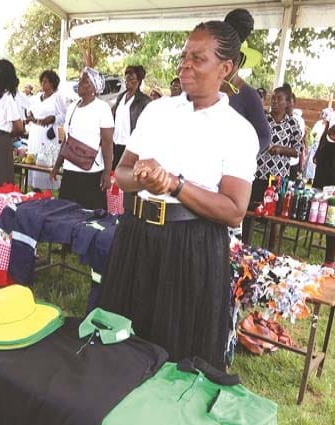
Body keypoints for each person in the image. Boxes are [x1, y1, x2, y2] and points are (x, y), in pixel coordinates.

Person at [98, 17, 258, 370]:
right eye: (185, 55)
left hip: (191, 244)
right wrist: (144, 177)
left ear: (226, 68)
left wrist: (175, 184)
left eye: (198, 58)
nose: (186, 64)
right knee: (123, 340)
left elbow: (234, 210)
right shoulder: (157, 111)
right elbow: (122, 174)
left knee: (175, 349)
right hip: (137, 235)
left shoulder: (238, 131)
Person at [241, 86, 302, 246]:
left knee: (274, 216)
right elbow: (250, 140)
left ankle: (271, 251)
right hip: (258, 173)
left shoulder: (293, 124)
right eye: (273, 98)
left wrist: (280, 149)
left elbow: (297, 151)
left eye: (279, 99)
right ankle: (244, 245)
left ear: (287, 102)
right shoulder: (263, 119)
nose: (274, 101)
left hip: (277, 178)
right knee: (249, 212)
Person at [49, 67, 114, 210]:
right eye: (80, 80)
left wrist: (107, 173)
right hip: (70, 170)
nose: (80, 83)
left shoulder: (102, 108)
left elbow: (107, 143)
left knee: (89, 216)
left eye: (85, 81)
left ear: (94, 87)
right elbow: (66, 140)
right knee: (66, 214)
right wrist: (56, 166)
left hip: (91, 173)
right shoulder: (72, 107)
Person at [220, 9, 271, 152]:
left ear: (239, 61)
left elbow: (264, 137)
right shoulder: (206, 88)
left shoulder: (249, 95)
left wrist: (241, 156)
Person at [25, 70, 66, 190]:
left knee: (45, 161)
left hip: (48, 134)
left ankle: (47, 190)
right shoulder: (37, 96)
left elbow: (65, 115)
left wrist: (53, 118)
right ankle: (35, 190)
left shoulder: (57, 98)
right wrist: (30, 115)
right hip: (35, 132)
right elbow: (30, 110)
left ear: (53, 84)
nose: (43, 84)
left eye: (46, 82)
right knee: (34, 160)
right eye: (42, 81)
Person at [111, 65, 150, 169]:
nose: (127, 80)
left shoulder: (144, 101)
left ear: (139, 81)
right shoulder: (120, 97)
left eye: (131, 78)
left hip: (130, 148)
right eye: (126, 77)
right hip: (115, 144)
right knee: (114, 176)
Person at [313, 117, 335, 267]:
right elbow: (317, 160)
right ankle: (329, 260)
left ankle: (330, 260)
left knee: (331, 224)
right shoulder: (326, 135)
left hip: (332, 189)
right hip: (320, 186)